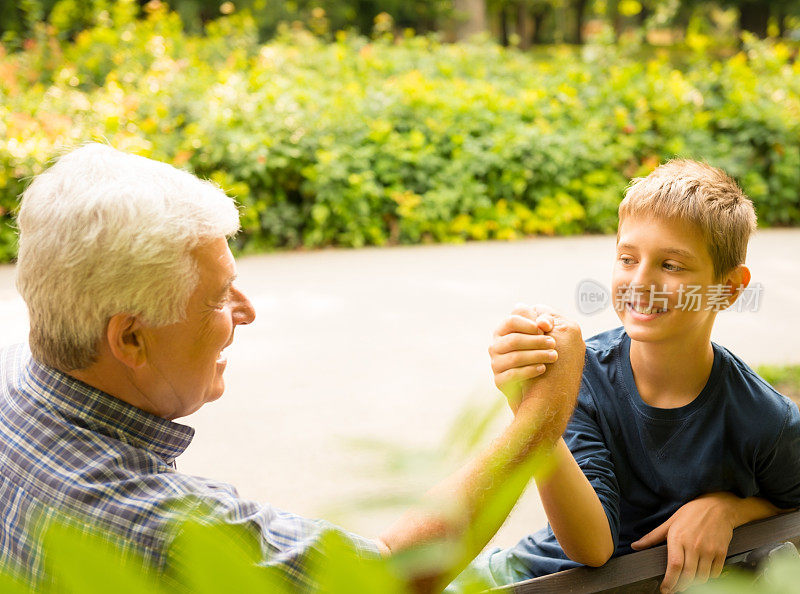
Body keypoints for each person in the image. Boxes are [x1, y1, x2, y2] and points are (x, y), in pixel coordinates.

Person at [0, 143, 584, 592]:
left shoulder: (18, 397)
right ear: (130, 337)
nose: (246, 311)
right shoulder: (142, 517)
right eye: (219, 296)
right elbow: (387, 577)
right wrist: (540, 419)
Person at [453, 160, 800, 593]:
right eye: (627, 258)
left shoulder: (766, 418)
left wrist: (731, 510)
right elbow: (592, 546)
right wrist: (532, 408)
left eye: (671, 265)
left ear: (728, 288)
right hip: (534, 576)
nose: (640, 282)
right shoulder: (580, 376)